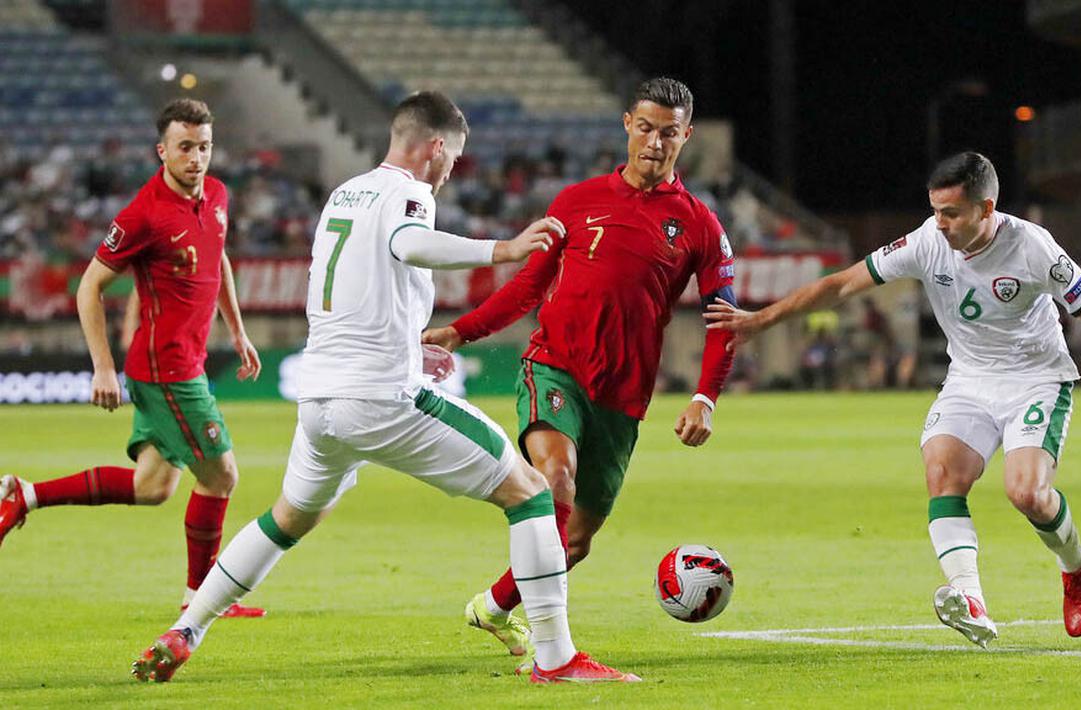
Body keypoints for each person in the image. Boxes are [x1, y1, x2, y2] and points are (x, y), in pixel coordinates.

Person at [131, 91, 638, 685]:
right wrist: (503, 249)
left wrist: (407, 346)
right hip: (378, 398)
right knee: (530, 493)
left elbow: (358, 287)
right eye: (453, 159)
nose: (451, 172)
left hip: (320, 400)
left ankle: (187, 627)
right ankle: (556, 659)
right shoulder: (409, 194)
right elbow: (409, 244)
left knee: (287, 519)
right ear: (437, 147)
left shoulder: (346, 193)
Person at [706, 152, 1081, 647]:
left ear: (987, 208)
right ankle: (970, 598)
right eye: (935, 210)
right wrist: (760, 321)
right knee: (941, 472)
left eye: (952, 213)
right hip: (970, 380)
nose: (941, 224)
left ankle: (1078, 567)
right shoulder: (927, 241)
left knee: (1027, 495)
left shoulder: (1034, 248)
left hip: (1036, 381)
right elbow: (841, 284)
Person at [422, 77, 737, 665]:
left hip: (623, 396)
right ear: (627, 125)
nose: (654, 142)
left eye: (669, 133)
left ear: (686, 137)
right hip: (555, 368)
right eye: (645, 128)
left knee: (575, 540)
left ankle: (494, 606)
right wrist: (461, 331)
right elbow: (529, 286)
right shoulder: (576, 201)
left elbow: (724, 319)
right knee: (556, 481)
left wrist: (705, 397)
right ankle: (556, 654)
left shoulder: (700, 225)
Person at [0, 98, 265, 618]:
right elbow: (88, 288)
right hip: (166, 370)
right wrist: (101, 366)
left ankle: (21, 495)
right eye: (185, 147)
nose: (196, 157)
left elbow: (219, 259)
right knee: (222, 476)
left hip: (185, 362)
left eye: (204, 146)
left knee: (153, 487)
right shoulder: (143, 215)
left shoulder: (216, 194)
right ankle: (202, 600)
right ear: (161, 150)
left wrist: (237, 330)